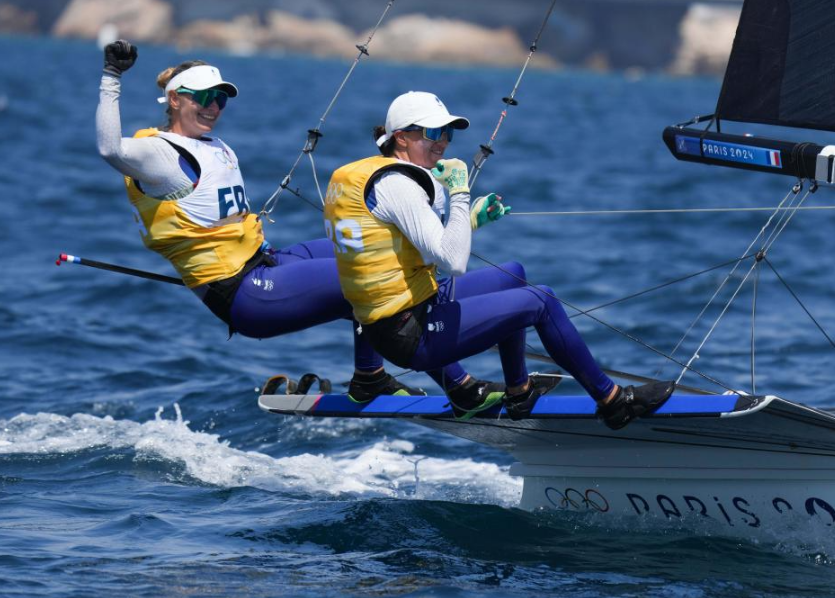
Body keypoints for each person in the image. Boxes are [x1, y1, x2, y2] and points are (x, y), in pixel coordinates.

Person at [94, 41, 514, 408]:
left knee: (360, 250)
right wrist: (112, 76)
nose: (214, 106)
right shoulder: (159, 154)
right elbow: (110, 149)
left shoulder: (210, 145)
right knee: (362, 272)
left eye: (221, 98)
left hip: (262, 263)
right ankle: (457, 387)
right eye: (203, 97)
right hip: (240, 293)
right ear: (175, 99)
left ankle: (369, 376)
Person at [324, 91, 675, 429]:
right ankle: (614, 402)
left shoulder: (379, 175)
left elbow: (407, 245)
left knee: (514, 274)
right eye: (432, 132)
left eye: (446, 133)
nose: (443, 141)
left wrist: (470, 220)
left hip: (410, 310)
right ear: (401, 137)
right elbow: (453, 262)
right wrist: (460, 192)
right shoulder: (399, 186)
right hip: (408, 331)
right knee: (541, 301)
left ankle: (519, 393)